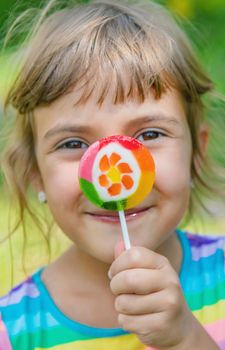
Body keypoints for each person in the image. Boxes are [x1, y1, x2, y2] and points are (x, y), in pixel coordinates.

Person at [0, 0, 225, 349]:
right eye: (74, 143)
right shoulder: (14, 332)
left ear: (196, 152)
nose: (112, 171)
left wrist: (185, 338)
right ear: (35, 173)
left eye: (149, 135)